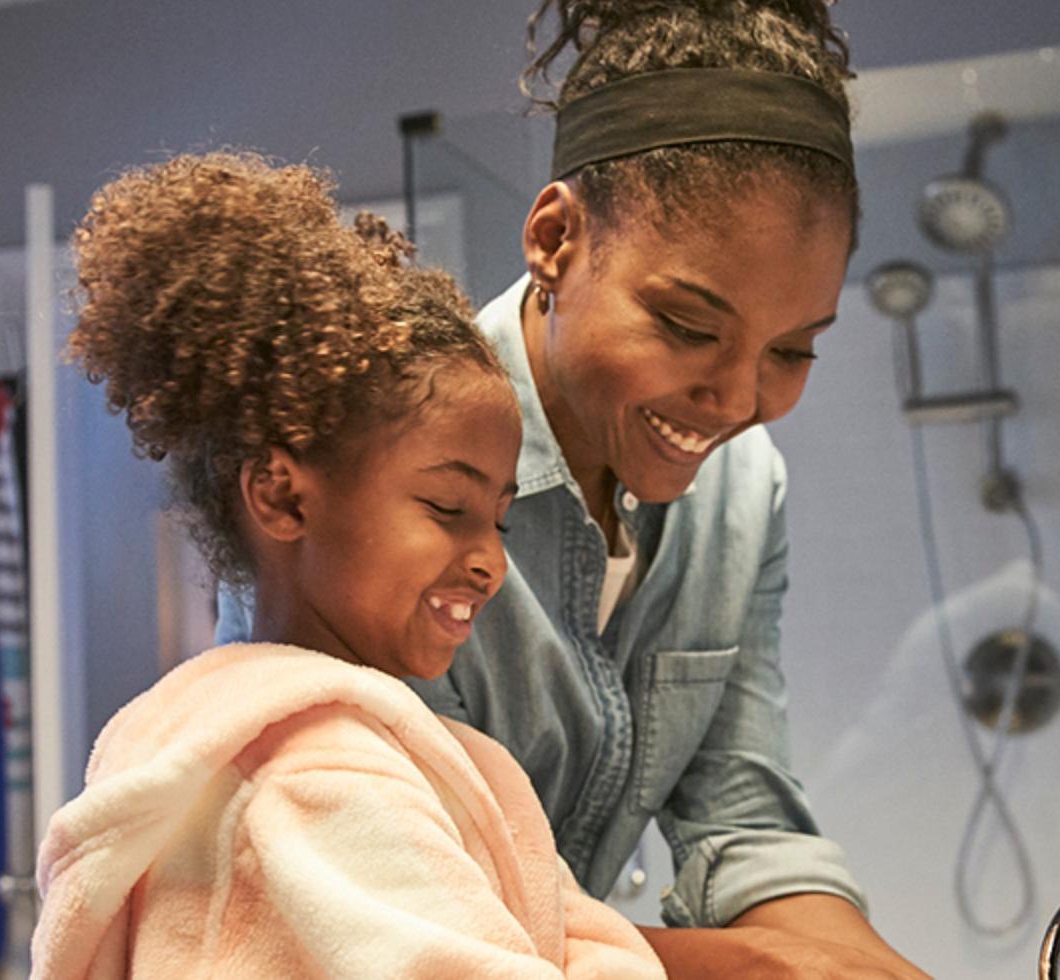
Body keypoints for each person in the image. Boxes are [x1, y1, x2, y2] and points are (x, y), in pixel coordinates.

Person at [230, 0, 927, 974]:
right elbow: (407, 903)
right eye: (687, 325)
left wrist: (863, 957)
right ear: (556, 237)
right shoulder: (373, 478)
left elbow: (737, 799)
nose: (736, 400)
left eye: (794, 348)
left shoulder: (743, 490)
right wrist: (769, 969)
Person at [31, 151, 662, 979]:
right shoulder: (318, 778)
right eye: (447, 509)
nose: (490, 563)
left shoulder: (382, 752)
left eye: (499, 520)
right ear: (285, 500)